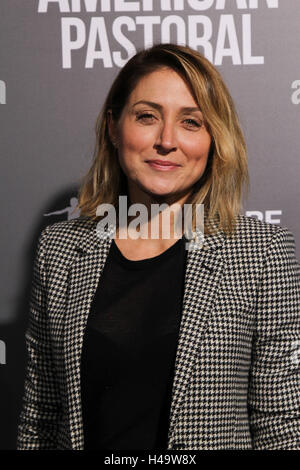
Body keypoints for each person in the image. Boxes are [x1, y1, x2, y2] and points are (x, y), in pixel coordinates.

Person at [17, 43, 300, 450]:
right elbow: (41, 415)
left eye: (191, 122)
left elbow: (282, 426)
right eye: (147, 116)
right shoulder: (59, 248)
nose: (167, 141)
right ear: (114, 128)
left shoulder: (261, 253)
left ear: (214, 139)